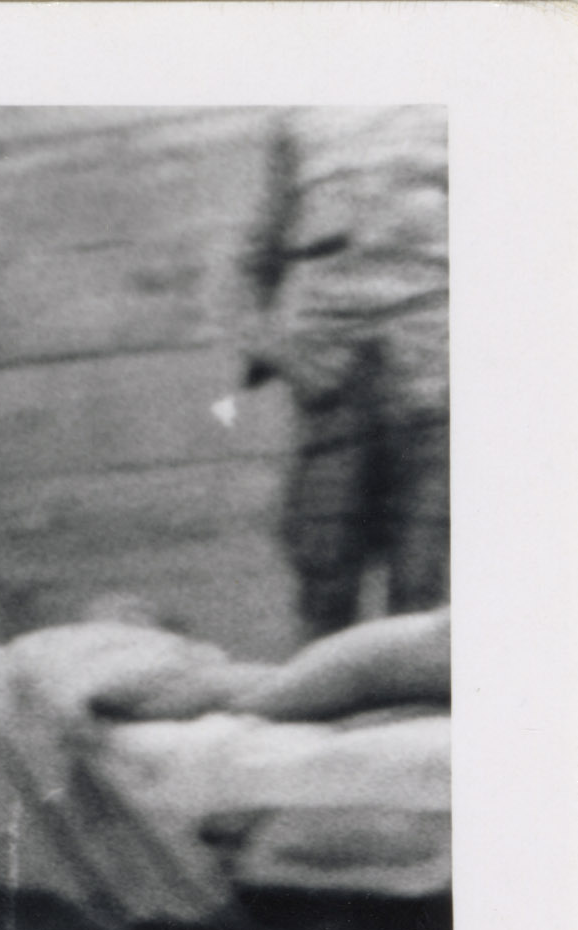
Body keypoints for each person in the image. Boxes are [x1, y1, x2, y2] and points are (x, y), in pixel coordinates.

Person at [237, 106, 449, 638]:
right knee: (324, 577)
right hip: (333, 381)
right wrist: (281, 349)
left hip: (433, 381)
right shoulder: (299, 118)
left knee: (420, 588)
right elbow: (252, 262)